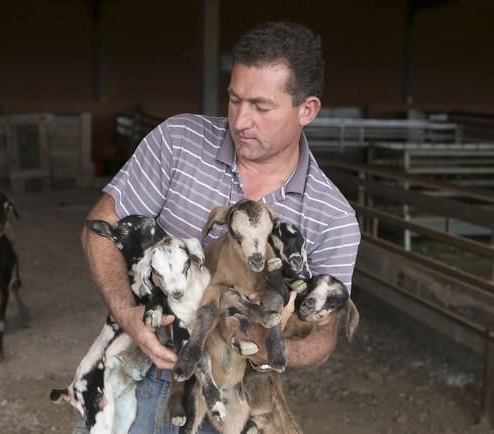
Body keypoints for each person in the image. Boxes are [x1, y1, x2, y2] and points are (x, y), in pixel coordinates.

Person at [76, 20, 361, 433]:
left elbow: (322, 341)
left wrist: (260, 346)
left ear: (307, 110)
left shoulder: (332, 217)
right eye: (234, 99)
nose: (241, 120)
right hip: (142, 367)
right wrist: (129, 315)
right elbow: (98, 228)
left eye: (261, 107)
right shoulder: (178, 141)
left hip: (231, 393)